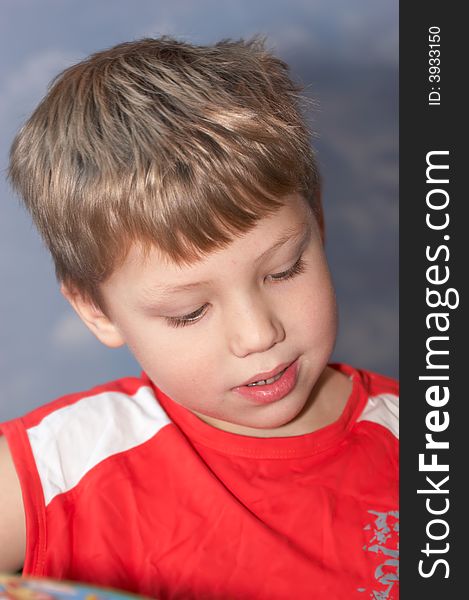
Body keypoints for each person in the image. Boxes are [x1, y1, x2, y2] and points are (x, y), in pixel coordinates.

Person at [0, 37, 399, 599]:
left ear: (319, 225)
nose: (259, 334)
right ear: (97, 311)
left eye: (284, 270)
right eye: (189, 313)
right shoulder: (56, 467)